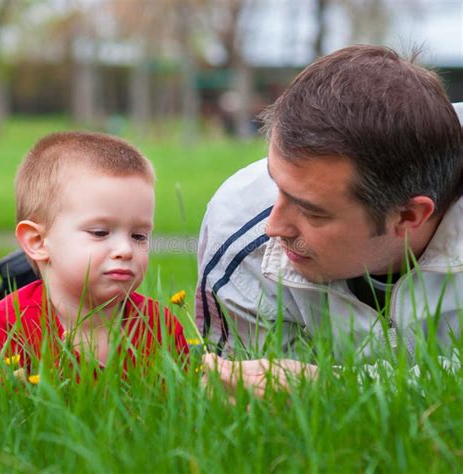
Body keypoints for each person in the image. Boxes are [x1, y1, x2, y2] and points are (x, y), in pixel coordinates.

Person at [196, 45, 463, 391]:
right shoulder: (239, 233)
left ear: (409, 215)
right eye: (276, 183)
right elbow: (249, 406)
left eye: (310, 211)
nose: (273, 226)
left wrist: (333, 386)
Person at [0, 132, 188, 374]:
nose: (125, 250)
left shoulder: (160, 328)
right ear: (38, 241)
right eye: (99, 232)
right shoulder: (4, 328)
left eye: (139, 236)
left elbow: (180, 404)